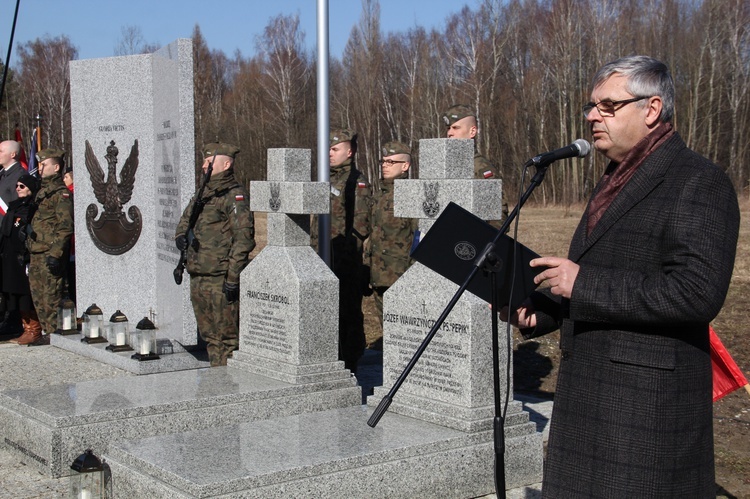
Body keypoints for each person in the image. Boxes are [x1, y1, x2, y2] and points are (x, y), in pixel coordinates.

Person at [505, 55, 740, 497]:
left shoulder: (698, 181)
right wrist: (546, 311)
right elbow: (612, 269)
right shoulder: (617, 177)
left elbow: (696, 292)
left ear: (651, 110)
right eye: (591, 106)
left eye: (608, 106)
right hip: (589, 399)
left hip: (646, 411)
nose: (593, 116)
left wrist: (582, 284)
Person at [175, 142, 255, 367]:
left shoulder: (234, 195)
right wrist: (181, 236)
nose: (203, 166)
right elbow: (184, 221)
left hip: (220, 278)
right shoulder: (204, 193)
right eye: (204, 161)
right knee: (209, 336)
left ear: (226, 164)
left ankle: (229, 385)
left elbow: (243, 239)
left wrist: (232, 278)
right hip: (198, 275)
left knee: (228, 338)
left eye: (209, 162)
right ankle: (216, 379)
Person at [311, 129, 372, 372]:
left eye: (334, 149)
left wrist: (346, 258)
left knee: (348, 314)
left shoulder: (356, 182)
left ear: (350, 152)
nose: (329, 154)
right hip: (322, 257)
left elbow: (361, 225)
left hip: (345, 263)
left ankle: (350, 361)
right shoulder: (327, 180)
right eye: (327, 149)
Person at [367, 141, 416, 349]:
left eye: (391, 161)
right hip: (379, 275)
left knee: (407, 336)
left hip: (401, 276)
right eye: (383, 161)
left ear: (405, 166)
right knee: (390, 336)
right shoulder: (379, 195)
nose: (385, 165)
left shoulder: (412, 194)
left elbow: (418, 236)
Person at [26, 148, 74, 345]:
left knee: (52, 296)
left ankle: (54, 335)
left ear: (55, 167)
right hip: (36, 251)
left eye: (44, 164)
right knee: (38, 296)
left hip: (49, 253)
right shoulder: (43, 191)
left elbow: (65, 226)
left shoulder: (60, 194)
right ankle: (47, 331)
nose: (39, 168)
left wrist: (55, 254)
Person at [442, 105, 508, 224]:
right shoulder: (444, 166)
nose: (450, 133)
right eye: (448, 128)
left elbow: (497, 216)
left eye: (455, 128)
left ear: (472, 131)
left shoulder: (481, 168)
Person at [1, 174, 43, 345]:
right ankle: (24, 326)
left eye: (22, 186)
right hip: (9, 256)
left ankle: (34, 329)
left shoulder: (32, 208)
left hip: (24, 256)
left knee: (26, 293)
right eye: (17, 185)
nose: (18, 188)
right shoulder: (14, 207)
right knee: (14, 293)